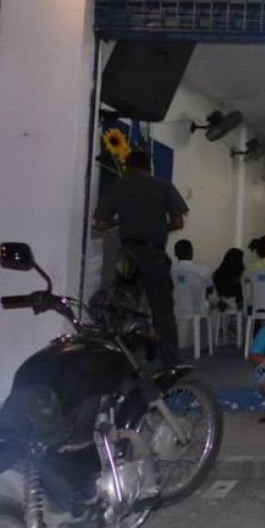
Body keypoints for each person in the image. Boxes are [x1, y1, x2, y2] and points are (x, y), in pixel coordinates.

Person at [92, 149, 188, 368]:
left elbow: (100, 224)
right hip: (155, 254)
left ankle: (121, 363)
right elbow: (178, 222)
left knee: (124, 309)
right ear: (148, 167)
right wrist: (158, 229)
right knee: (163, 312)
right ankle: (171, 364)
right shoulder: (164, 186)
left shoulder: (118, 186)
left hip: (128, 255)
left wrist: (122, 223)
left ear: (127, 166)